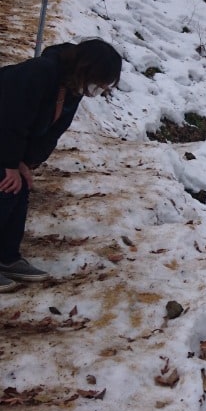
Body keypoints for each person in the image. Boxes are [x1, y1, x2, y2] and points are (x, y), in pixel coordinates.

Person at [0, 39, 122, 287]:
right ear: (85, 69)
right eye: (97, 85)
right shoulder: (40, 72)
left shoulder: (72, 91)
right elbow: (10, 119)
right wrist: (10, 163)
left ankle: (7, 257)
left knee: (20, 187)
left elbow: (51, 132)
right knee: (5, 186)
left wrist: (26, 162)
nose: (96, 92)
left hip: (9, 145)